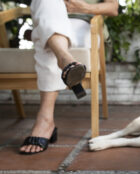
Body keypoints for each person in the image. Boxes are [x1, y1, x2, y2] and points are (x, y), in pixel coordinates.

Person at [19, 0, 118, 154]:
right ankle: (65, 60)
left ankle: (45, 121)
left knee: (46, 39)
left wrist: (83, 7)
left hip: (83, 23)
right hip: (49, 19)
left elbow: (113, 8)